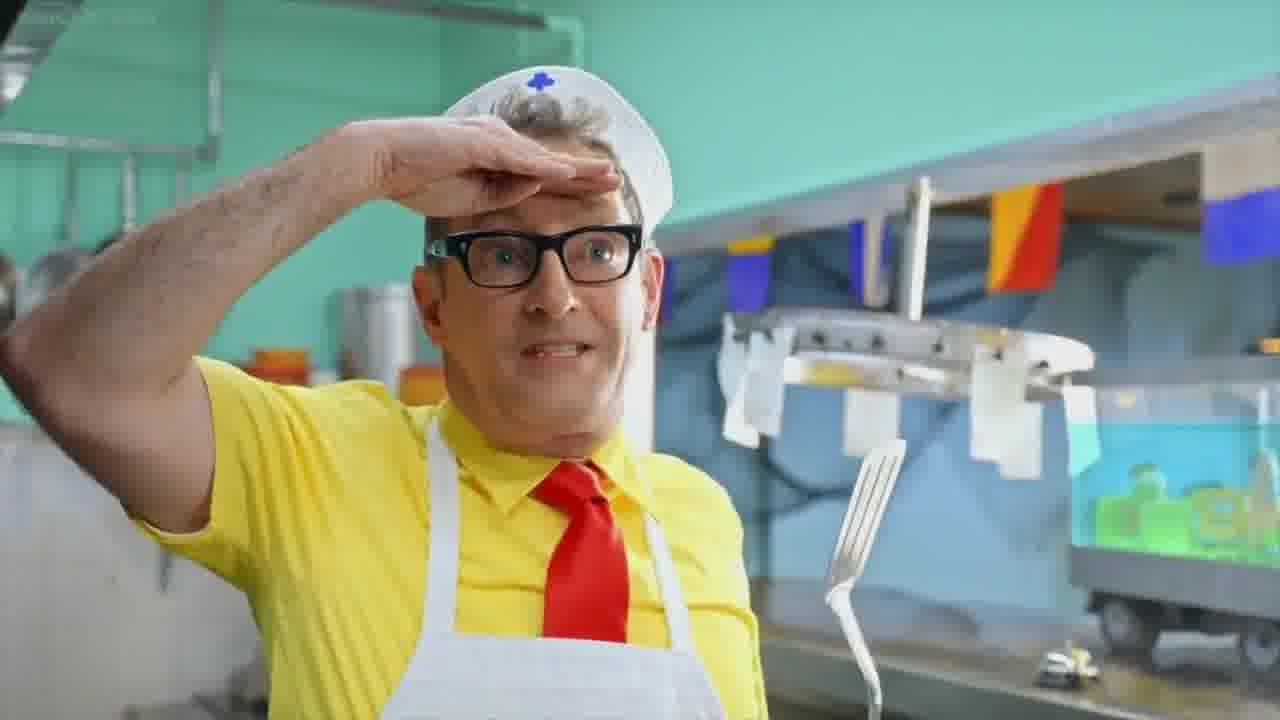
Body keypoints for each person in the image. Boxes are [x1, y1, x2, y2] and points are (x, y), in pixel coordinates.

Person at [0, 66, 768, 719]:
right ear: (433, 307)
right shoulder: (314, 464)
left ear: (650, 291)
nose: (555, 295)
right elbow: (65, 370)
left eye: (598, 249)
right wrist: (361, 162)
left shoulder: (701, 516)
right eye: (503, 253)